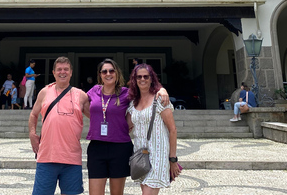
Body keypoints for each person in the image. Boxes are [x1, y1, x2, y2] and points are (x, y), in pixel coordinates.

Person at [86, 59, 169, 195]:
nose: (108, 74)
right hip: (97, 147)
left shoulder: (126, 93)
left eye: (111, 70)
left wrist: (162, 89)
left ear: (117, 73)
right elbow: (79, 101)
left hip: (120, 148)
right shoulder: (94, 90)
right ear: (100, 74)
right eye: (104, 71)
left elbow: (144, 86)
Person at [29, 56, 90, 195]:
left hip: (72, 159)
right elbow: (33, 114)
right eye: (59, 69)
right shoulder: (45, 92)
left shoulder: (81, 96)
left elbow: (97, 116)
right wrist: (32, 134)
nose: (63, 72)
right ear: (54, 72)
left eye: (66, 69)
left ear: (71, 72)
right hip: (47, 156)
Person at [127, 63, 181, 194]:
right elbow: (127, 126)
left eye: (146, 76)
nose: (142, 79)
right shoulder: (133, 103)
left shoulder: (160, 100)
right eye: (139, 77)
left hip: (158, 155)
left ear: (152, 78)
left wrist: (172, 159)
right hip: (140, 156)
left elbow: (172, 130)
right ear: (134, 79)